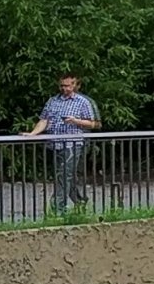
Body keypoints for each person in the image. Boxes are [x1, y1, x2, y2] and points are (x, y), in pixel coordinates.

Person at [24, 73, 100, 211]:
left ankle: (58, 208)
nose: (64, 88)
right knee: (66, 176)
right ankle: (80, 202)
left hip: (73, 144)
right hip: (55, 144)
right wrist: (33, 133)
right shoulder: (53, 101)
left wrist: (76, 121)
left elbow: (95, 124)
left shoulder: (83, 102)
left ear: (75, 85)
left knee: (64, 175)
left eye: (67, 86)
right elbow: (44, 120)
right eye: (62, 86)